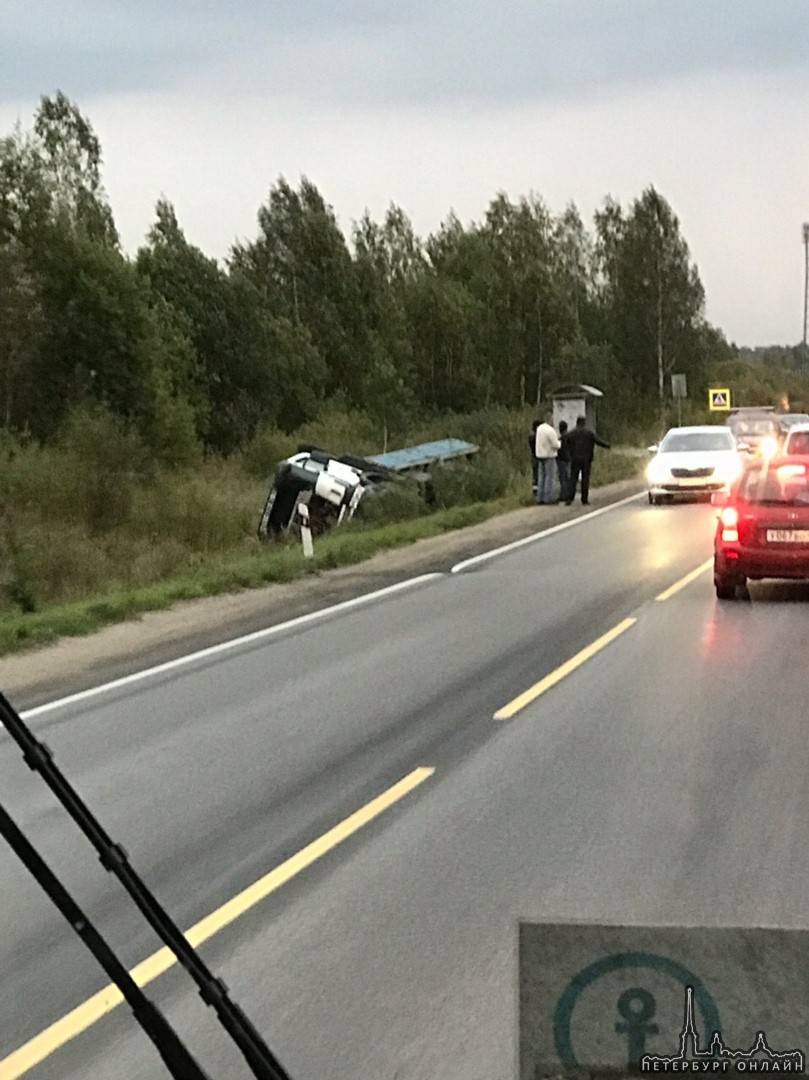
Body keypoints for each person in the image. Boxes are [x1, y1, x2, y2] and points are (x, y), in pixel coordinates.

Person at [564, 415, 610, 506]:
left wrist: (569, 452)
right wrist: (608, 445)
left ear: (577, 422)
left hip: (575, 459)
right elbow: (598, 441)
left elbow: (565, 441)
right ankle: (584, 499)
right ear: (584, 423)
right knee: (585, 479)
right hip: (586, 459)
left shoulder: (572, 433)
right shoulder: (589, 433)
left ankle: (569, 498)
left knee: (573, 478)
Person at [534, 412, 561, 505]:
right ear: (550, 420)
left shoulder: (539, 428)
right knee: (550, 477)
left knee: (541, 476)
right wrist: (560, 444)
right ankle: (548, 498)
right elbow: (555, 444)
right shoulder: (550, 430)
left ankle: (539, 497)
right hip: (549, 455)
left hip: (540, 454)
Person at [556, 420, 571, 503]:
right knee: (567, 477)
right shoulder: (570, 437)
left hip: (561, 459)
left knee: (562, 477)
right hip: (568, 459)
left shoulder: (560, 439)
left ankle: (564, 494)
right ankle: (568, 494)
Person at [528, 419, 540, 496]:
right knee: (539, 475)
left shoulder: (530, 437)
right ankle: (538, 491)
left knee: (535, 475)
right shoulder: (537, 437)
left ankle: (535, 491)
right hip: (538, 457)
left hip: (533, 457)